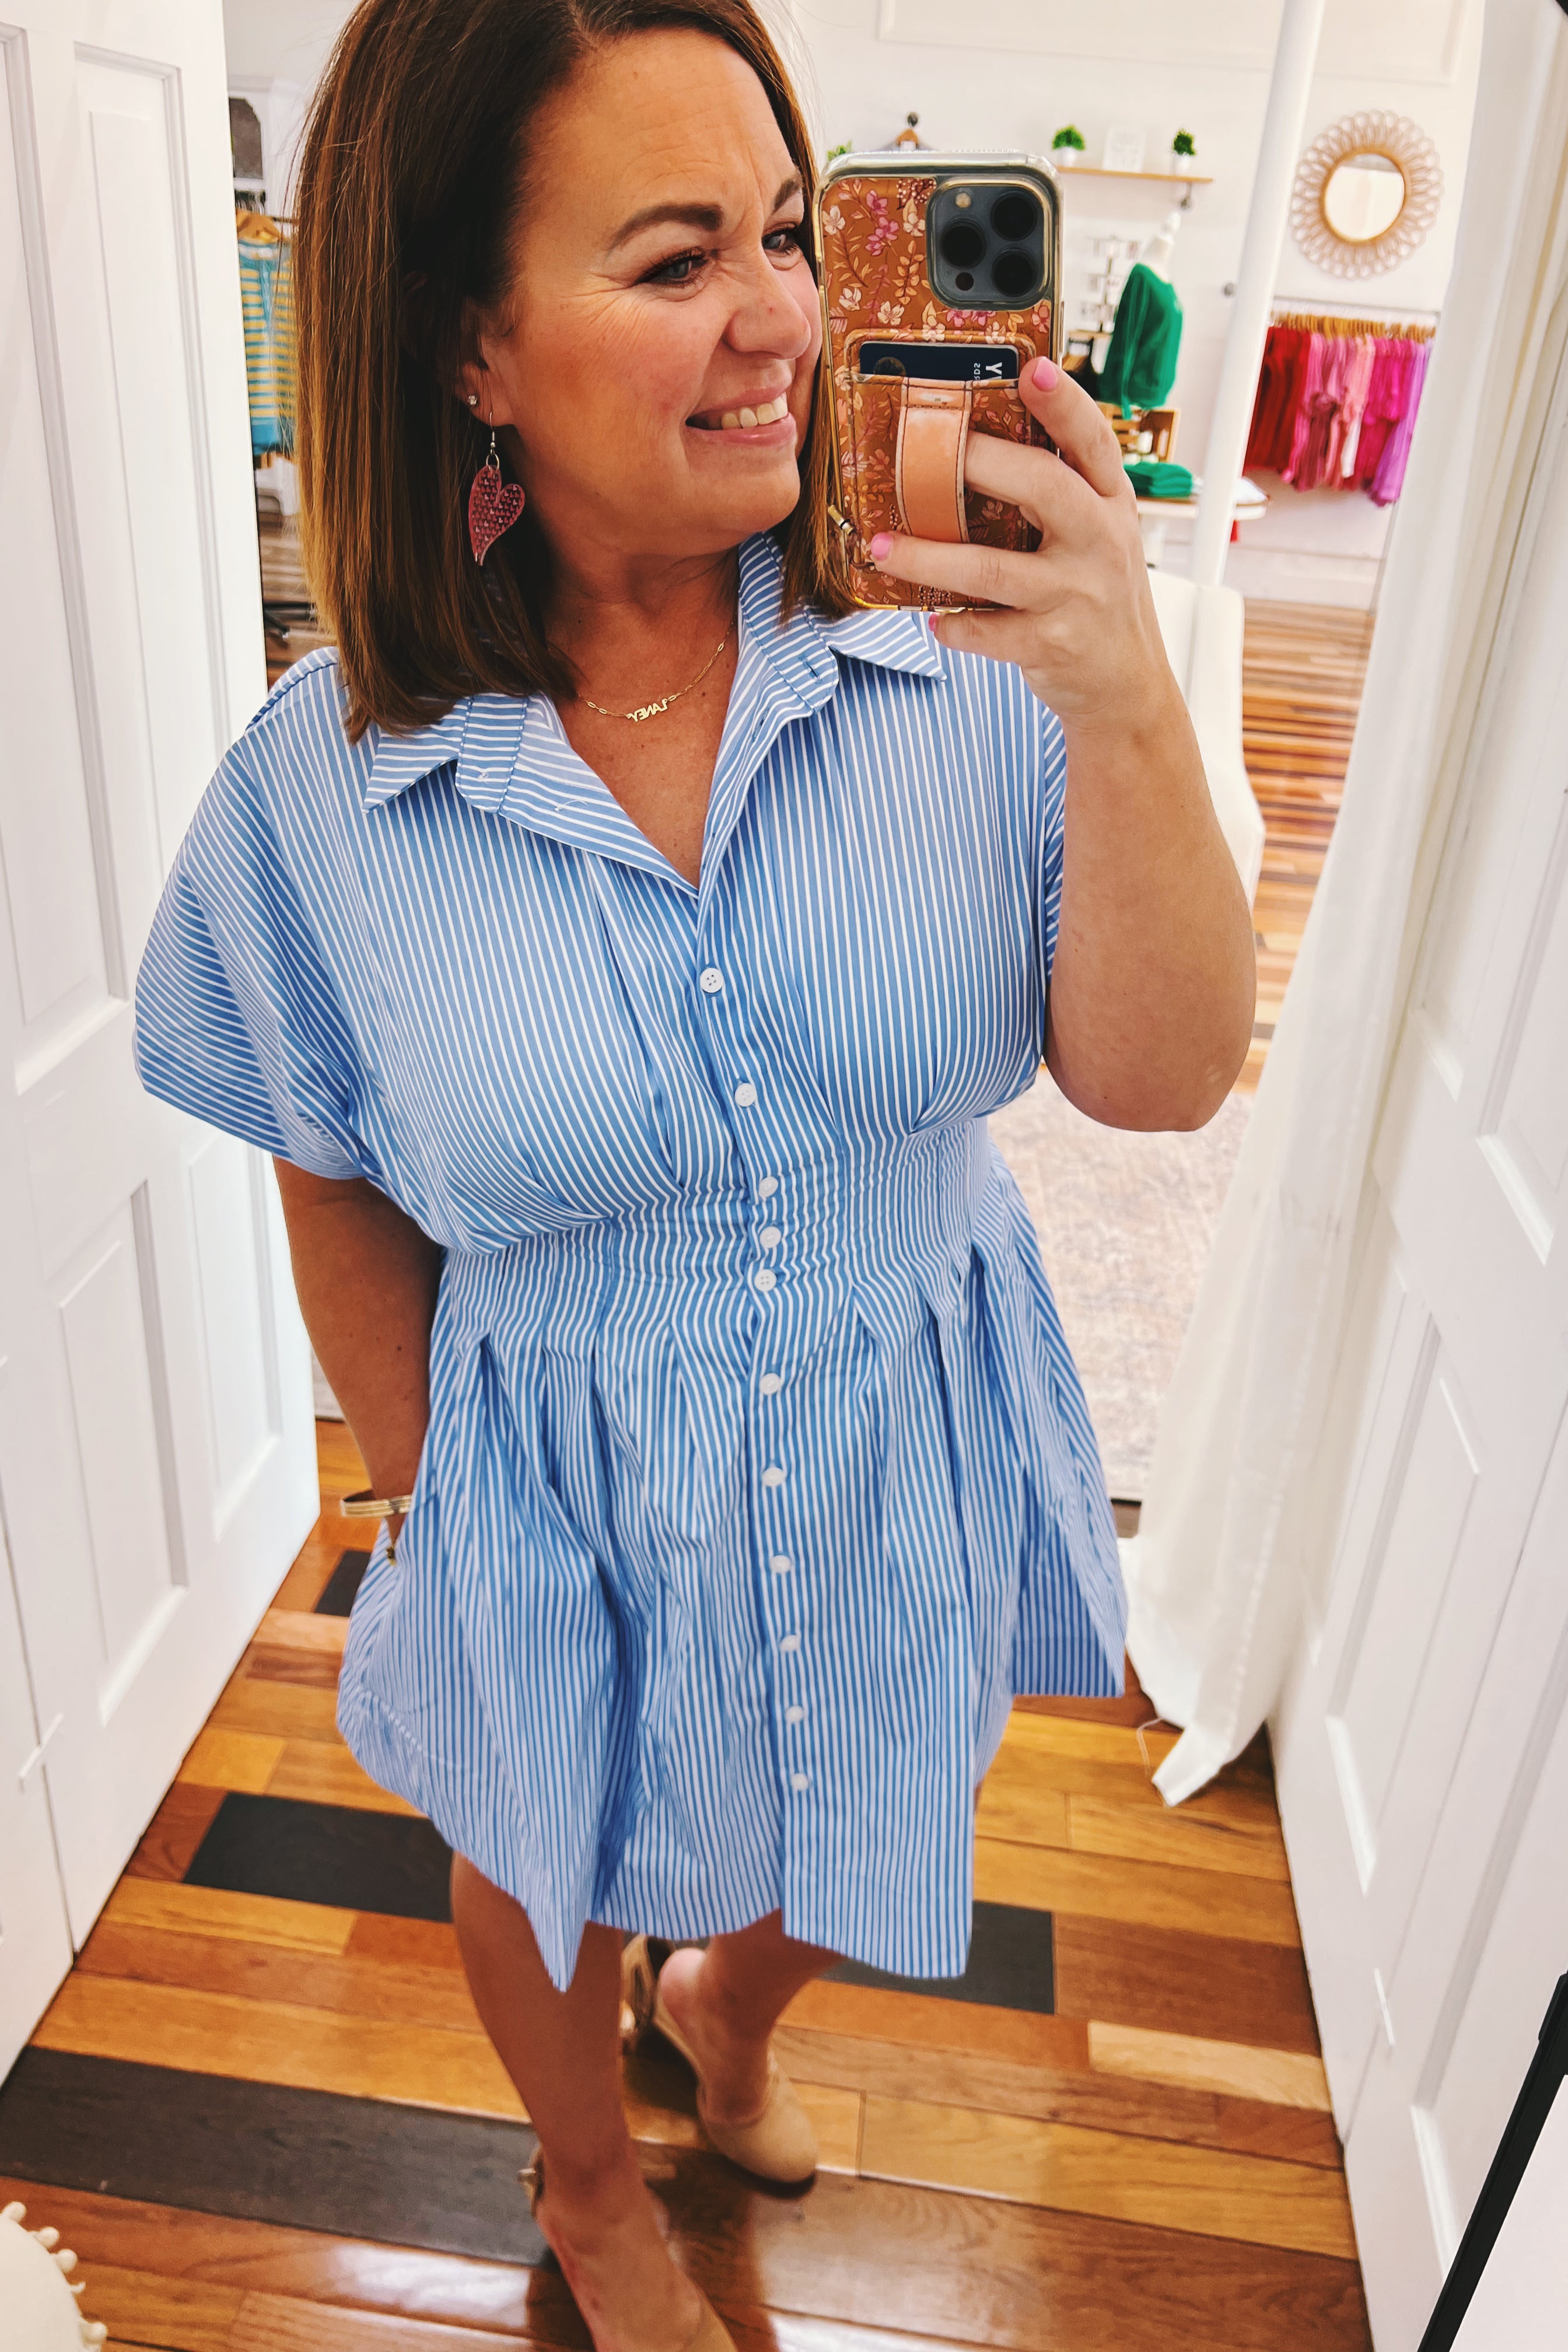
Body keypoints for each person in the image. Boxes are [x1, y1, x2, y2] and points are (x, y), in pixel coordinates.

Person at [133, 3, 1255, 2346]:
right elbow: (327, 1162)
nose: (784, 318)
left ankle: (729, 2005)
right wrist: (436, 1498)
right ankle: (586, 2196)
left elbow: (1164, 1084)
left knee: (870, 1799)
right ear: (471, 347)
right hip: (544, 1451)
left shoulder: (978, 666)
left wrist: (1128, 690)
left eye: (788, 233)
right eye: (676, 261)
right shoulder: (326, 790)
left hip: (901, 1404)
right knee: (538, 1861)